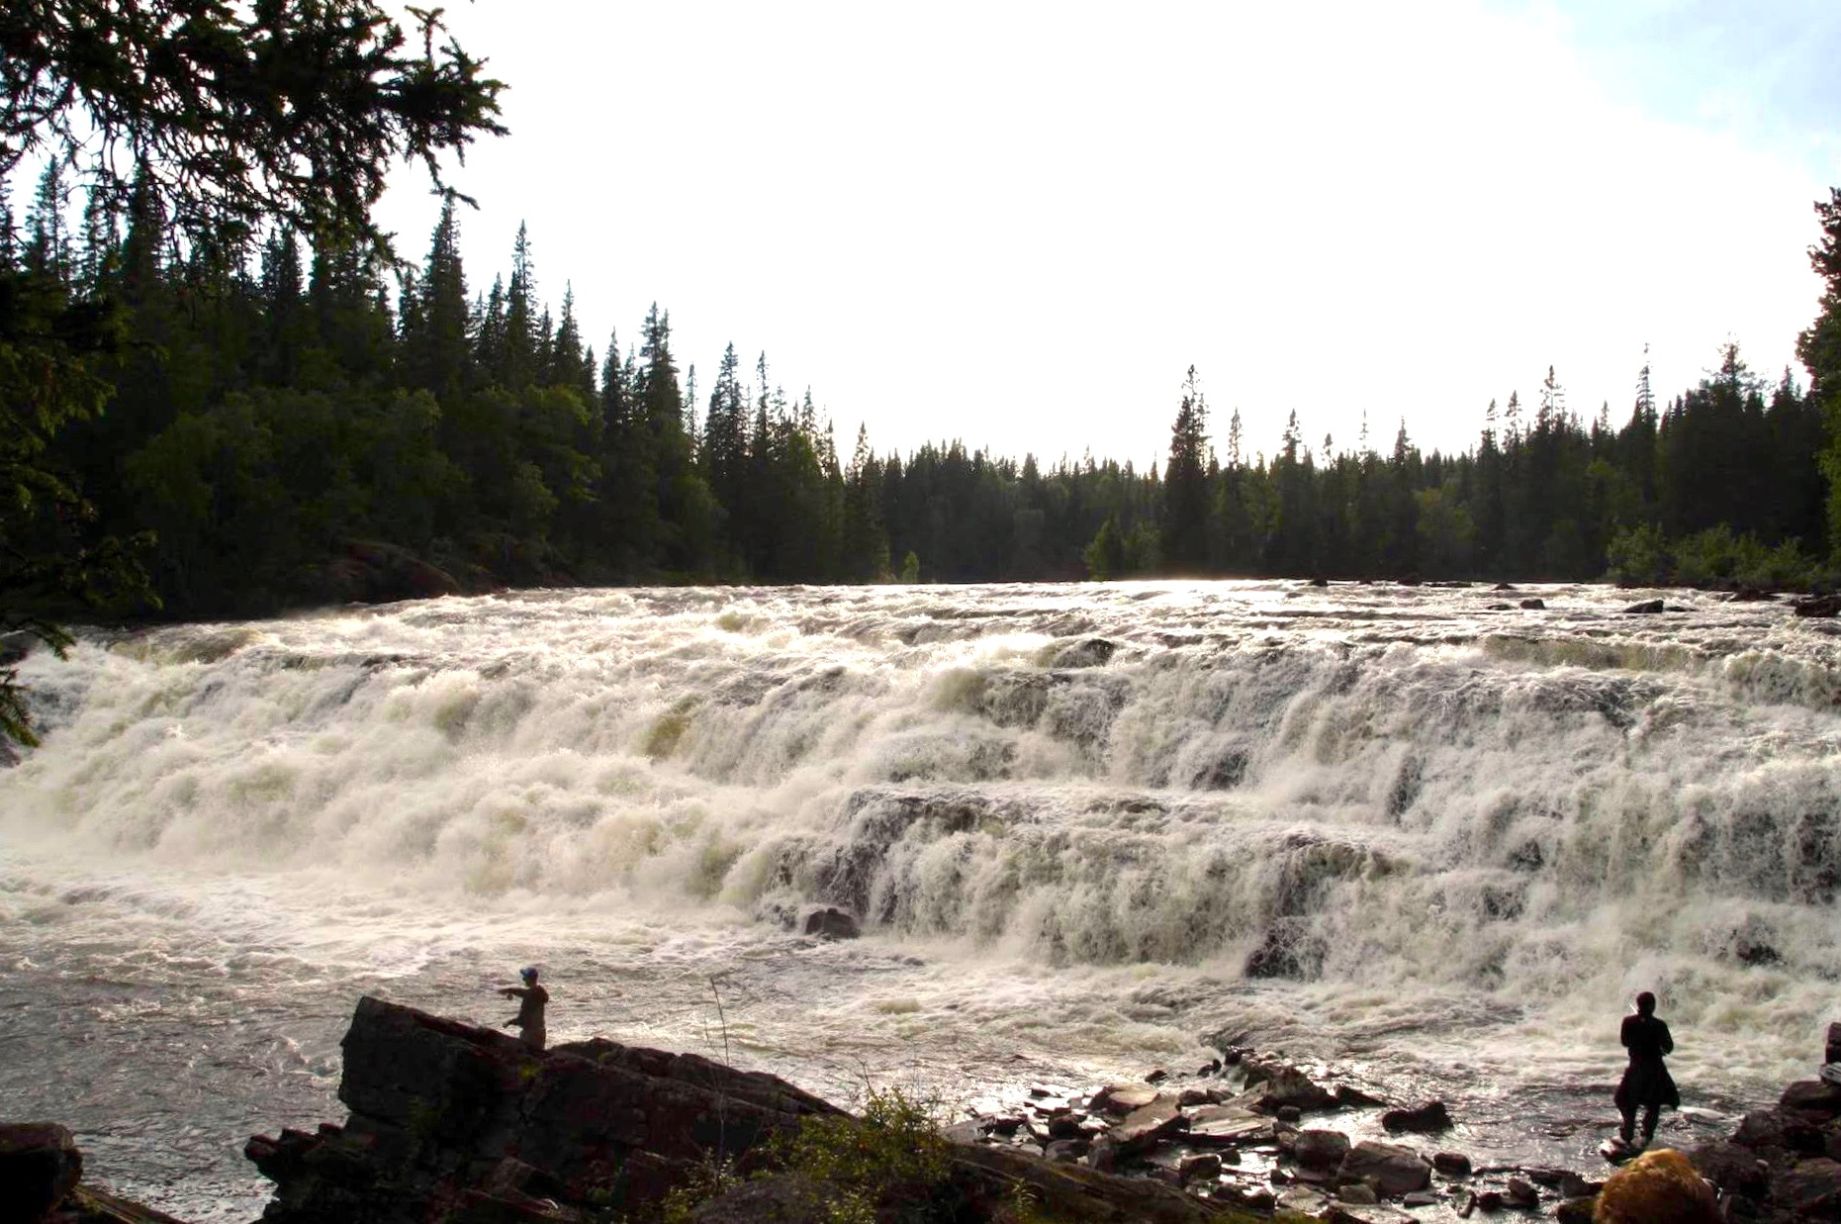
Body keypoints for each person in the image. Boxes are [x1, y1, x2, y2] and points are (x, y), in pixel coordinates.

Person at [1614, 991, 1678, 1148]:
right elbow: (1669, 1047)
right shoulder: (1659, 1025)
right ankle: (1646, 1135)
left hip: (1636, 1068)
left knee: (1626, 1101)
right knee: (1653, 1104)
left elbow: (1625, 1042)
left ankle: (1627, 1134)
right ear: (1653, 1006)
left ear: (1638, 1005)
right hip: (1655, 1069)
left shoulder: (1628, 1022)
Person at [500, 967, 549, 1052]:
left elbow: (522, 1019)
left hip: (530, 1034)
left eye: (524, 977)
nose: (523, 979)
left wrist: (508, 1022)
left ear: (528, 979)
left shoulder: (529, 996)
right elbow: (524, 993)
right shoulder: (539, 992)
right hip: (541, 1032)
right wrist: (510, 990)